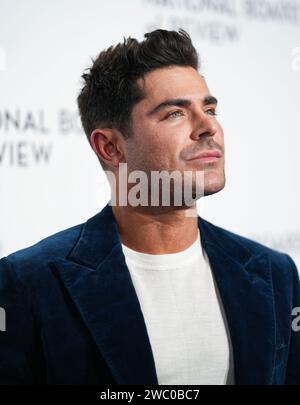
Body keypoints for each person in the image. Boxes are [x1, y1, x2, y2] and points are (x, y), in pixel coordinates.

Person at [0, 29, 299, 385]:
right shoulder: (28, 282)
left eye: (210, 108)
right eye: (175, 113)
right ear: (110, 147)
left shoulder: (274, 272)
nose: (209, 127)